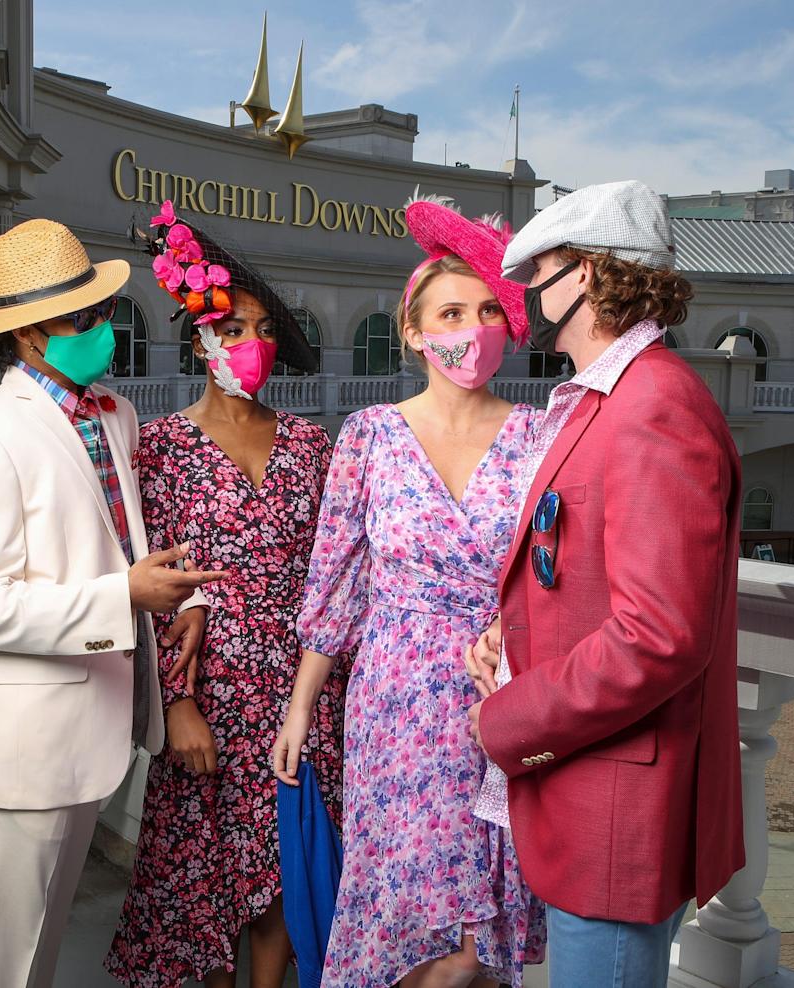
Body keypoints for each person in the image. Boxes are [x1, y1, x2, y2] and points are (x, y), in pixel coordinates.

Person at [466, 180, 744, 988]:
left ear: (583, 275)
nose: (526, 295)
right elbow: (585, 575)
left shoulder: (653, 404)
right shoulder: (613, 398)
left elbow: (659, 637)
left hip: (616, 815)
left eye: (541, 270)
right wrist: (511, 640)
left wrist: (507, 716)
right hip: (592, 796)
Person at [0, 219, 223, 988]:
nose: (104, 330)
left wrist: (170, 599)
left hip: (93, 728)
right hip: (23, 742)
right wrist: (120, 595)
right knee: (1, 963)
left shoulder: (114, 415)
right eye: (84, 318)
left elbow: (114, 538)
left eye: (102, 314)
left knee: (41, 945)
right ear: (30, 337)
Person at [274, 194, 546, 988]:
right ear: (415, 332)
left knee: (481, 941)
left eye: (490, 308)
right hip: (395, 708)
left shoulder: (540, 436)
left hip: (498, 695)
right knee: (414, 931)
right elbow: (335, 584)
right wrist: (300, 708)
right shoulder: (369, 435)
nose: (472, 326)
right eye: (452, 311)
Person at [105, 204, 349, 988]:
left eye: (263, 330)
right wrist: (177, 703)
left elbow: (333, 576)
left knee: (287, 862)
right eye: (233, 329)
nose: (251, 345)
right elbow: (157, 589)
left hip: (298, 693)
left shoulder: (313, 443)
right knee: (205, 882)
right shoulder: (164, 445)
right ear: (199, 337)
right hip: (211, 691)